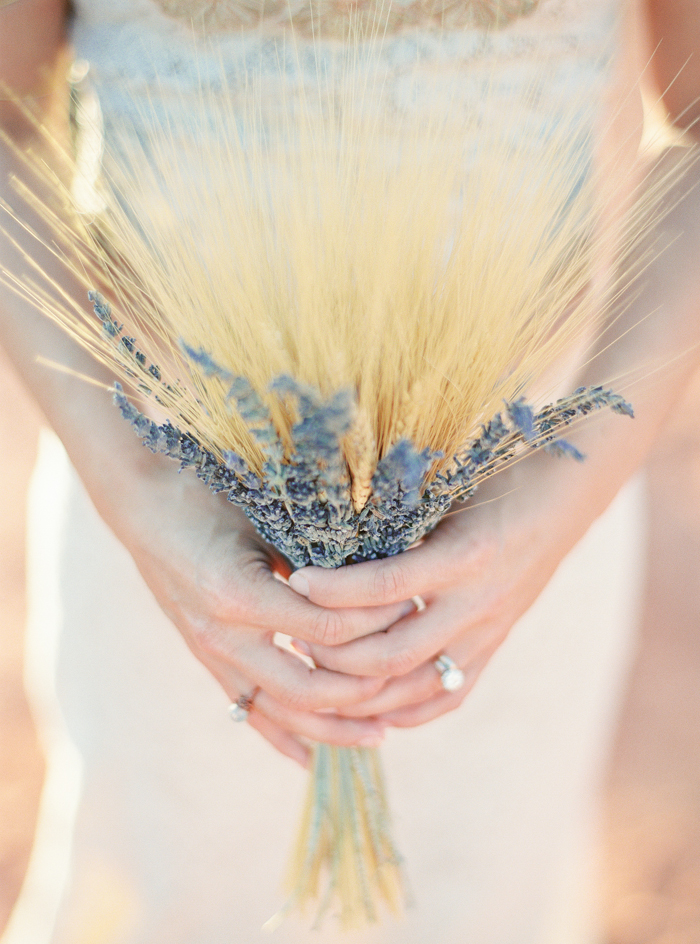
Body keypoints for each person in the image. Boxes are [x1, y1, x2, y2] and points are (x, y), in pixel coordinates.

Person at [1, 1, 700, 941]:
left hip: (519, 533)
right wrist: (139, 490)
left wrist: (552, 505)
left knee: (483, 892)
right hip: (170, 546)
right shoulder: (154, 513)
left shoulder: (536, 522)